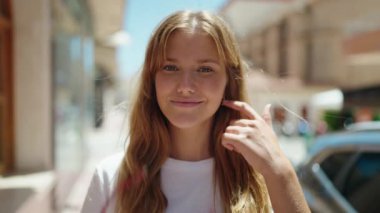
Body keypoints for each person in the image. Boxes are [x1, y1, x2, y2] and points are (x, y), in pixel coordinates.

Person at [81, 10, 310, 213]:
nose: (186, 86)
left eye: (205, 69)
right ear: (153, 80)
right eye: (170, 67)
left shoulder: (262, 177)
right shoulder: (111, 177)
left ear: (228, 82)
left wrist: (281, 172)